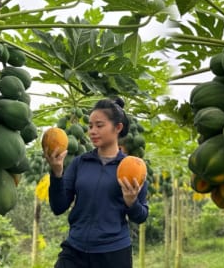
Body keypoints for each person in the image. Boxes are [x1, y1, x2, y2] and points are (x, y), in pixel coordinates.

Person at [44, 97, 149, 268]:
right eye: (90, 126)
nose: (92, 131)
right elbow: (58, 207)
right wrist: (57, 174)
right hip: (75, 250)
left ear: (118, 127)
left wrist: (132, 202)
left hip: (113, 255)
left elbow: (141, 216)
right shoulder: (80, 163)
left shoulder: (133, 166)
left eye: (99, 126)